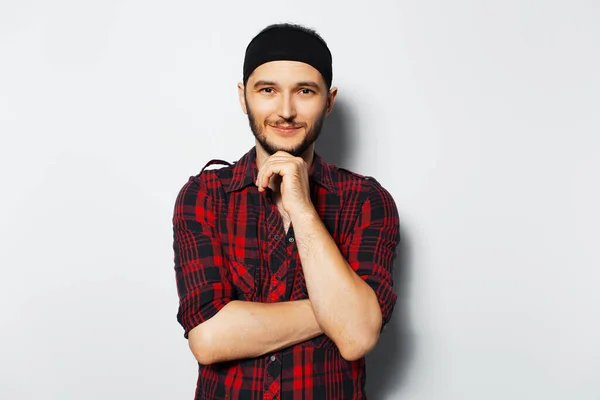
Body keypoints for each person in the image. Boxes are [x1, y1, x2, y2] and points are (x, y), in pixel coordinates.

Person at [172, 22, 400, 400]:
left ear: (329, 100)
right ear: (244, 98)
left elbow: (357, 339)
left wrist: (302, 207)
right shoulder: (204, 196)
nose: (286, 110)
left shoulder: (366, 201)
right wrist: (337, 312)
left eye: (305, 91)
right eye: (268, 90)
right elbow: (209, 338)